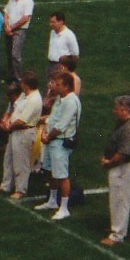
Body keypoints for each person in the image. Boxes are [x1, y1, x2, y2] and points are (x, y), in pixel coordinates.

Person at [34, 71, 82, 220]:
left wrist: (48, 136)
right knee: (49, 170)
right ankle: (53, 201)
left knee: (62, 175)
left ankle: (64, 207)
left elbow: (61, 125)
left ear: (67, 86)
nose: (55, 86)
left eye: (58, 84)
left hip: (60, 141)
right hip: (50, 140)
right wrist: (44, 133)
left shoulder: (71, 101)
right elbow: (53, 117)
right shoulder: (60, 98)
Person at [100, 95, 130, 246]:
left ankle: (117, 235)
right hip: (121, 166)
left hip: (124, 167)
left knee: (120, 199)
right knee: (116, 199)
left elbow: (123, 154)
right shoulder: (125, 123)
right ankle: (117, 228)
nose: (114, 111)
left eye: (117, 109)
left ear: (125, 110)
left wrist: (108, 163)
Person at [0, 74, 42, 198]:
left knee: (21, 162)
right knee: (8, 158)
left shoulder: (34, 99)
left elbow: (22, 121)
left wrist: (8, 127)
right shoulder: (24, 95)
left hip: (24, 132)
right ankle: (6, 185)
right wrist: (7, 121)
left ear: (26, 85)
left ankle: (21, 190)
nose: (20, 84)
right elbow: (15, 109)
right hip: (15, 131)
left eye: (22, 82)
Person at [3, 0, 34, 80]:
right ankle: (11, 75)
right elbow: (6, 13)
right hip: (9, 29)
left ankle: (19, 78)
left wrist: (11, 28)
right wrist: (7, 26)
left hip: (19, 30)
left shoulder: (28, 1)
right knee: (9, 54)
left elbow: (25, 18)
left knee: (15, 55)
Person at [46, 12, 80, 84]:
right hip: (50, 65)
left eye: (53, 22)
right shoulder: (52, 32)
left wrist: (67, 68)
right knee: (50, 87)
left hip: (61, 66)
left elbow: (75, 54)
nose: (50, 24)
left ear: (60, 22)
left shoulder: (69, 35)